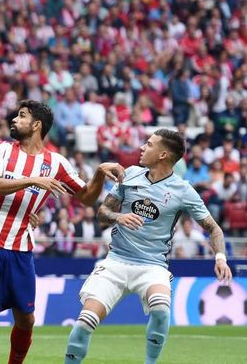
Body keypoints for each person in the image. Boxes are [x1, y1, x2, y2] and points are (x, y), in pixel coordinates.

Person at [0, 100, 124, 364]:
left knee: (26, 319)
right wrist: (32, 180)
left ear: (36, 125)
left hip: (21, 247)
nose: (14, 119)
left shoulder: (56, 163)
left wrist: (99, 175)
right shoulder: (1, 149)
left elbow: (87, 198)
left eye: (21, 116)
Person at [64, 129, 233, 363]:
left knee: (161, 308)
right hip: (116, 262)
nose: (142, 147)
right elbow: (102, 213)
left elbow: (214, 228)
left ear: (163, 154)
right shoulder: (130, 175)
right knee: (85, 322)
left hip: (152, 266)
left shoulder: (183, 190)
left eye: (149, 144)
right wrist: (118, 217)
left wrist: (220, 258)